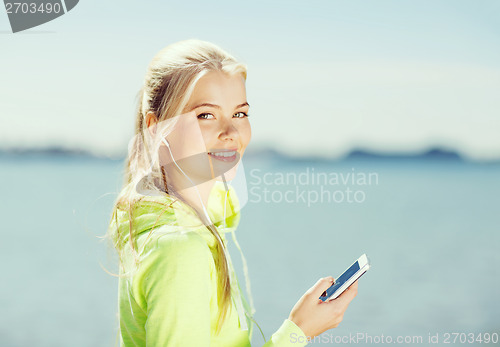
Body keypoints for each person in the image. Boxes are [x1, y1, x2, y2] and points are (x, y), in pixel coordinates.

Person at [106, 39, 358, 347]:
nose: (231, 133)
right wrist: (297, 332)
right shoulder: (180, 249)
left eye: (240, 114)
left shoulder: (186, 224)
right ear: (156, 127)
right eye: (206, 115)